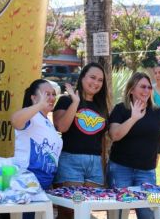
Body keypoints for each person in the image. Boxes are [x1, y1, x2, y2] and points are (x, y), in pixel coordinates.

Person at [107, 72, 160, 219]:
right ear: (131, 89)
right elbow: (115, 135)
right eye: (142, 87)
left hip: (146, 171)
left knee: (148, 213)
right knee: (118, 213)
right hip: (121, 169)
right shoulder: (120, 109)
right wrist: (133, 118)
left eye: (149, 87)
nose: (146, 90)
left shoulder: (158, 112)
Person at [52, 63, 110, 218]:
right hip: (71, 161)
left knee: (85, 209)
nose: (96, 83)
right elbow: (61, 127)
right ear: (82, 77)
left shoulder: (102, 106)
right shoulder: (66, 100)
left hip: (95, 164)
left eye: (100, 80)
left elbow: (102, 138)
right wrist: (75, 102)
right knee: (69, 211)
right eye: (92, 77)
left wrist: (102, 163)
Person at [11, 79, 63, 219]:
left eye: (53, 94)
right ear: (33, 98)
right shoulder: (31, 116)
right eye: (47, 94)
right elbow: (15, 120)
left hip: (43, 187)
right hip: (27, 185)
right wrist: (39, 105)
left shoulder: (46, 121)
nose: (51, 98)